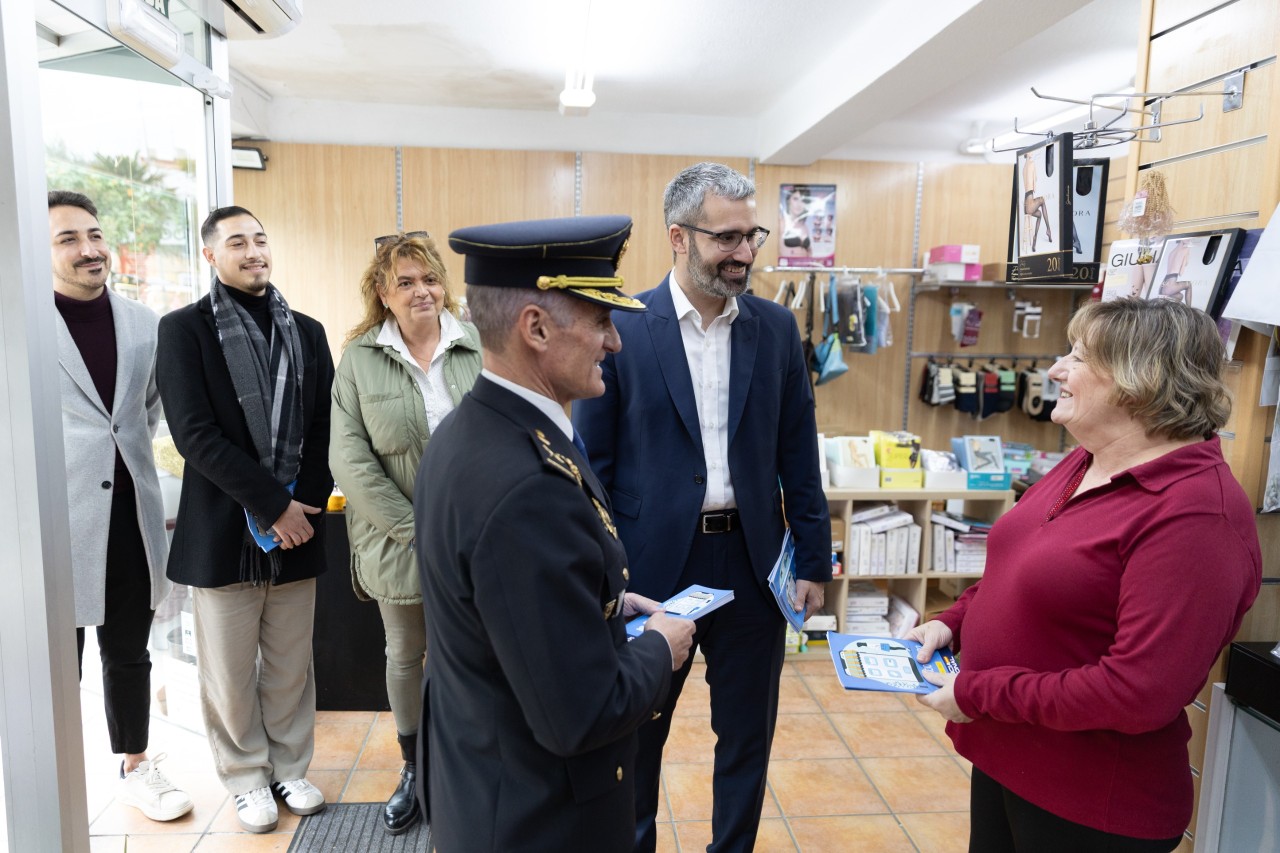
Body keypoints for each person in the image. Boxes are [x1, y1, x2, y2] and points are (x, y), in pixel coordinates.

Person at [908, 297, 1261, 853]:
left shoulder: (1196, 514)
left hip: (1093, 801)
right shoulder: (1087, 458)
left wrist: (980, 692)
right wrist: (953, 621)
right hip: (1009, 755)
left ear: (1137, 380)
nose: (1055, 369)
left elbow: (1138, 691)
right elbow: (1017, 569)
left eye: (1080, 355)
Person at [415, 215, 696, 852]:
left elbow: (498, 603)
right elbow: (583, 714)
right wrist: (660, 646)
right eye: (600, 320)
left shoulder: (473, 431)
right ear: (536, 328)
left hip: (485, 786)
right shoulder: (528, 484)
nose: (615, 342)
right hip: (535, 819)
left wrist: (598, 602)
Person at [574, 162, 832, 853]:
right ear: (678, 238)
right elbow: (592, 465)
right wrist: (606, 573)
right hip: (654, 565)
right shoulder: (624, 323)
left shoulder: (775, 330)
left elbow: (798, 454)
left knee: (747, 735)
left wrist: (813, 556)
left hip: (753, 564)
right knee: (636, 735)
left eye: (753, 235)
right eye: (727, 237)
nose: (745, 252)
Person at [156, 206, 335, 834]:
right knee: (229, 672)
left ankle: (291, 766)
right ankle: (246, 778)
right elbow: (195, 436)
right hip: (224, 531)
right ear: (211, 255)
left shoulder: (307, 331)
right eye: (238, 242)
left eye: (260, 238)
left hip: (300, 527)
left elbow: (323, 428)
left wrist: (303, 507)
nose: (254, 250)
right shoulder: (184, 331)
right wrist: (275, 505)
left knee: (291, 663)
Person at [329, 231, 481, 835]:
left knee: (475, 650)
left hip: (479, 535)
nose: (422, 291)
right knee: (406, 654)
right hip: (400, 539)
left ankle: (466, 763)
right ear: (382, 294)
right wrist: (417, 530)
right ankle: (414, 769)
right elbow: (350, 460)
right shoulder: (361, 358)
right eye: (406, 282)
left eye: (430, 279)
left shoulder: (477, 345)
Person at [48, 190, 193, 823]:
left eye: (94, 235)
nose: (89, 249)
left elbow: (149, 406)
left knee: (129, 650)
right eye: (68, 239)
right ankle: (49, 779)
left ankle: (135, 765)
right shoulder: (20, 321)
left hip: (131, 514)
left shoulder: (142, 322)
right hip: (57, 519)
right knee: (56, 659)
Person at [1022, 151, 1054, 253]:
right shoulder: (1030, 165)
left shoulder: (1024, 168)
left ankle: (1035, 240)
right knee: (1043, 200)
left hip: (1026, 207)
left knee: (1039, 214)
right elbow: (1035, 178)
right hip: (1030, 205)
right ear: (1028, 155)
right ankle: (1048, 230)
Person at [779, 186, 812, 259]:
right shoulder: (781, 223)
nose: (799, 204)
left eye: (803, 200)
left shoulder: (804, 226)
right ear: (788, 200)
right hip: (786, 268)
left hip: (805, 268)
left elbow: (809, 251)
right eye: (795, 199)